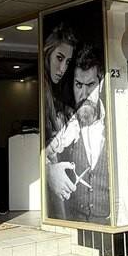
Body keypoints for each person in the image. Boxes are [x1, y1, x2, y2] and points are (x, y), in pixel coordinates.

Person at [51, 45, 110, 224]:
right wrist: (49, 171)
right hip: (73, 223)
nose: (84, 94)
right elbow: (41, 155)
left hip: (108, 223)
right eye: (78, 85)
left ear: (101, 84)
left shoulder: (115, 121)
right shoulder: (63, 123)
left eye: (91, 85)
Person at [43, 23, 80, 216]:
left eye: (67, 62)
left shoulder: (51, 90)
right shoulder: (43, 88)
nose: (62, 68)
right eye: (59, 58)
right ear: (47, 52)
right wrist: (48, 169)